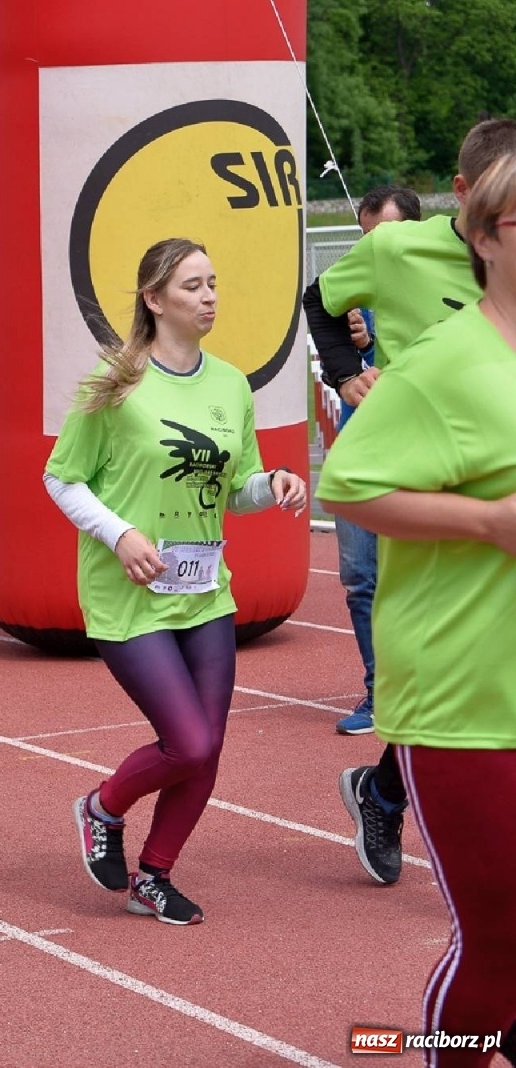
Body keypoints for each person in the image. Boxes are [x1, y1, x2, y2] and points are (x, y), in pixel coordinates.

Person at [318, 154, 516, 1068]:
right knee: (501, 943)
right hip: (469, 695)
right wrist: (486, 520)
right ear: (481, 238)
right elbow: (348, 485)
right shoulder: (447, 361)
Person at [47, 238, 308, 926]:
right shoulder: (117, 379)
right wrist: (119, 533)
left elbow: (235, 491)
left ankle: (153, 876)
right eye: (193, 285)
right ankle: (102, 808)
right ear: (155, 299)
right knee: (187, 742)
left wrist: (272, 483)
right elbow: (61, 477)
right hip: (128, 592)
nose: (210, 296)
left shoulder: (230, 384)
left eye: (214, 283)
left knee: (209, 746)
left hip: (204, 589)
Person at [329, 185, 424, 738]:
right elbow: (335, 361)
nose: (373, 248)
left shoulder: (442, 282)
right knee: (361, 578)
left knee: (425, 580)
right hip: (362, 454)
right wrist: (351, 357)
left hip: (420, 457)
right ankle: (378, 693)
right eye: (364, 237)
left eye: (382, 236)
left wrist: (379, 338)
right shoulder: (353, 287)